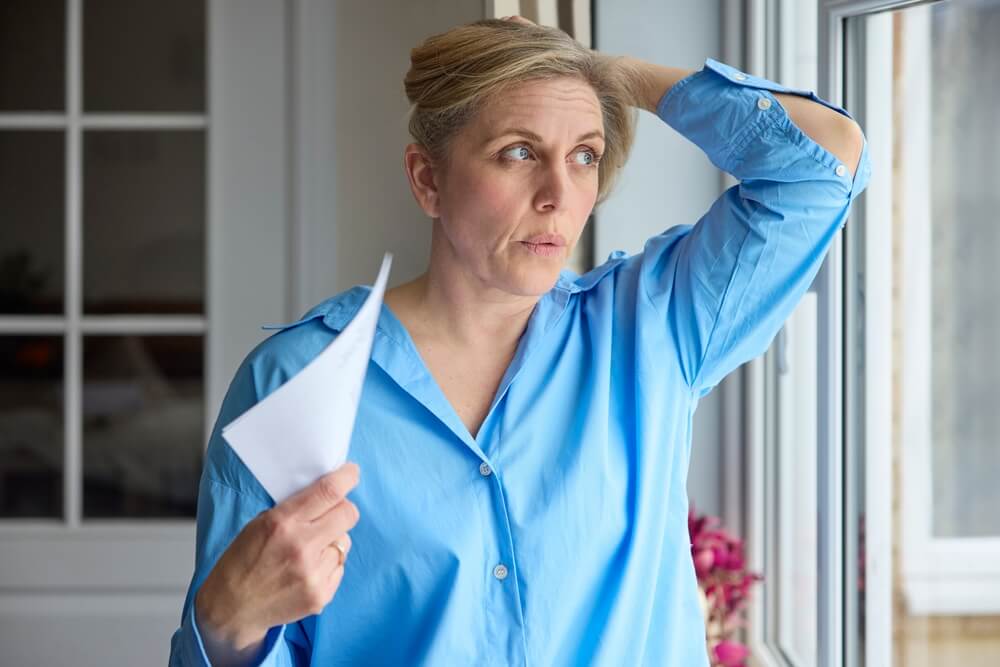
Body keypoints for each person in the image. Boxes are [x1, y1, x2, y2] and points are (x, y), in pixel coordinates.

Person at [169, 15, 869, 667]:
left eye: (585, 155)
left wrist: (609, 73)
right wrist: (227, 623)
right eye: (518, 152)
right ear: (427, 178)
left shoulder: (654, 327)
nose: (558, 193)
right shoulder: (295, 380)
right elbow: (234, 637)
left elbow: (823, 165)